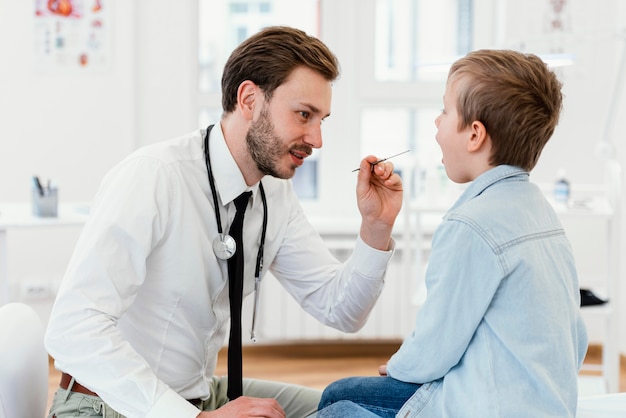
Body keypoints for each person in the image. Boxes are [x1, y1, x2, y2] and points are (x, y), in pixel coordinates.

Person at [44, 26, 403, 418]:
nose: (317, 139)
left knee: (349, 407)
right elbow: (73, 328)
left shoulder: (273, 194)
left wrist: (376, 228)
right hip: (108, 404)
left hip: (198, 394)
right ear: (249, 98)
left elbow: (342, 311)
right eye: (304, 115)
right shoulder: (155, 176)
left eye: (322, 120)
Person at [316, 49, 588, 417]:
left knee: (336, 410)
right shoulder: (543, 215)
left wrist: (401, 368)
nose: (436, 122)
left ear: (475, 134)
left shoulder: (470, 225)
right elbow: (578, 338)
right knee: (338, 394)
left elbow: (437, 341)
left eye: (445, 111)